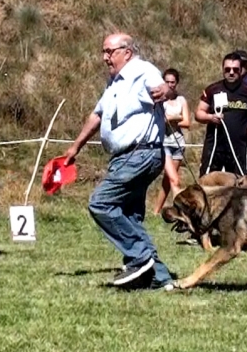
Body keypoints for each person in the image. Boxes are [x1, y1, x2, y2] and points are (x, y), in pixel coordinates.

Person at [63, 32, 175, 290]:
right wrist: (75, 148)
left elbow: (164, 88)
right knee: (129, 216)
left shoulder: (142, 70)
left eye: (109, 52)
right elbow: (97, 115)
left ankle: (140, 258)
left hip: (141, 153)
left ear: (127, 51)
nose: (105, 58)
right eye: (103, 52)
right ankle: (159, 277)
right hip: (124, 157)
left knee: (100, 203)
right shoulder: (114, 82)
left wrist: (167, 91)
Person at [195, 52, 247, 177]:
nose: (231, 72)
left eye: (235, 69)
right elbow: (199, 113)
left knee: (237, 185)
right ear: (223, 69)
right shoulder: (213, 89)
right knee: (207, 182)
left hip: (237, 147)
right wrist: (210, 117)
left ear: (241, 70)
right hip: (214, 146)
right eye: (227, 69)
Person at [152, 68, 190, 215]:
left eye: (172, 82)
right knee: (175, 180)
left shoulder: (181, 100)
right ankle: (181, 213)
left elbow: (187, 122)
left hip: (178, 144)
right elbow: (158, 120)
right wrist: (174, 118)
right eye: (167, 82)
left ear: (177, 83)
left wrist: (173, 119)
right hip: (165, 144)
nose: (170, 84)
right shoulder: (160, 101)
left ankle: (156, 211)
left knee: (168, 181)